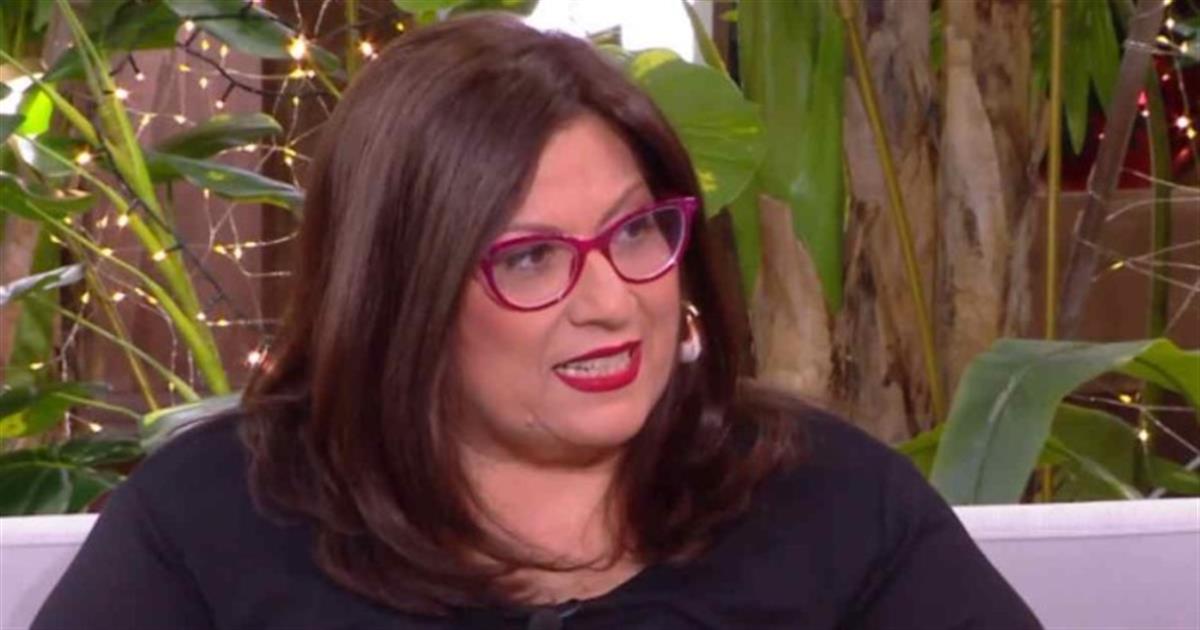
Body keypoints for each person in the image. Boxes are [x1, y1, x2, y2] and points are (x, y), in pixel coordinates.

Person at [32, 13, 1041, 630]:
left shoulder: (830, 500)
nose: (611, 302)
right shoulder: (212, 522)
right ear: (401, 296)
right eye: (529, 258)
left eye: (635, 232)